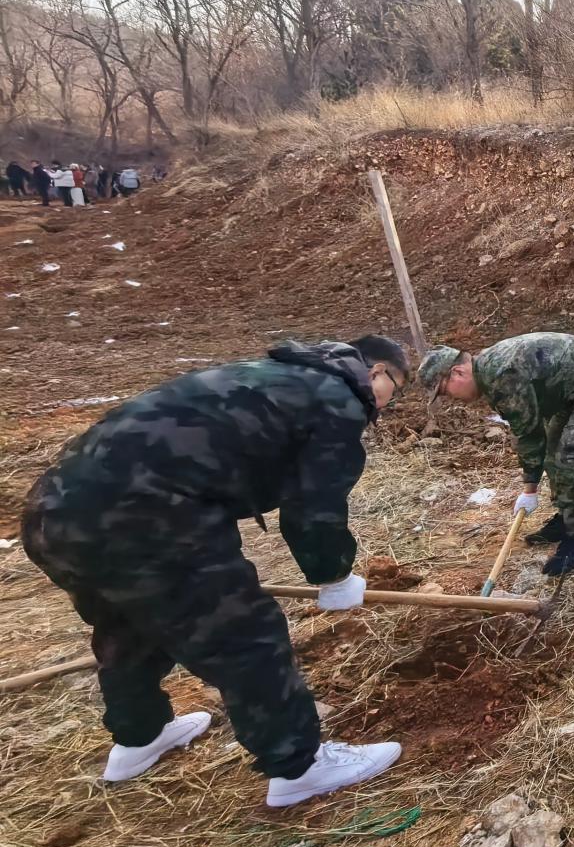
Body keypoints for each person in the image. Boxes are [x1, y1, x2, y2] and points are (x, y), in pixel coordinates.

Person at [20, 336, 412, 807]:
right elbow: (313, 508)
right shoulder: (338, 398)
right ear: (377, 372)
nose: (387, 403)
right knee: (243, 634)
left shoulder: (273, 376)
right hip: (146, 518)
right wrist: (335, 576)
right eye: (395, 389)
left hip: (53, 513)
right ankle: (299, 767)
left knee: (129, 623)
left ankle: (140, 736)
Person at [419, 334, 574, 577]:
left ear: (457, 372)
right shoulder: (488, 368)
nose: (451, 398)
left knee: (573, 454)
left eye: (445, 391)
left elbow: (529, 434)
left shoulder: (500, 375)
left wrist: (530, 489)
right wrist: (531, 483)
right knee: (554, 448)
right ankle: (567, 518)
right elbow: (536, 432)